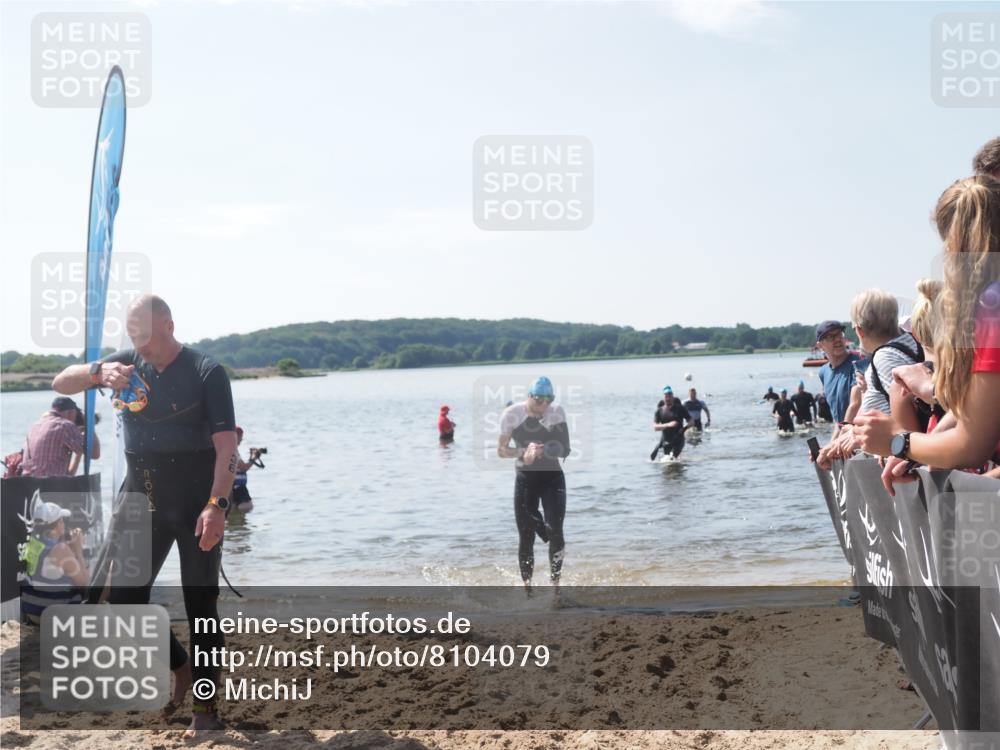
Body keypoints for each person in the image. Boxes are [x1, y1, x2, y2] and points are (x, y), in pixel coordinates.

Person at [52, 294, 236, 736]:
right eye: (132, 336)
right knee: (123, 603)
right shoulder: (127, 364)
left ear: (169, 325)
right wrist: (97, 372)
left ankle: (206, 712)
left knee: (201, 607)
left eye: (145, 336)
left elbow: (227, 449)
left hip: (196, 505)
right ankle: (181, 669)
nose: (139, 345)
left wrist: (217, 505)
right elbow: (61, 382)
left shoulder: (206, 371)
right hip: (141, 501)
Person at [855, 176, 1000, 491]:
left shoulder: (993, 303)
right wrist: (921, 446)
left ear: (954, 242)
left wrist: (899, 442)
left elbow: (972, 444)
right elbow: (973, 411)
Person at [497, 376, 570, 595]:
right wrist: (523, 453)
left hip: (552, 478)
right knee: (527, 534)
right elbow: (501, 451)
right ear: (529, 396)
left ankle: (555, 587)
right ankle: (527, 588)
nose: (544, 406)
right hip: (526, 480)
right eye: (539, 400)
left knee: (555, 531)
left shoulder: (556, 412)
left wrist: (544, 450)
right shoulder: (512, 415)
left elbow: (565, 449)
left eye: (549, 400)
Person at [18, 498, 90, 624]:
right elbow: (84, 584)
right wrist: (79, 550)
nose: (64, 524)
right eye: (61, 521)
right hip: (51, 615)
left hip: (32, 610)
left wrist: (70, 548)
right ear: (55, 527)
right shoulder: (61, 550)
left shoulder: (34, 541)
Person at [21, 397, 100, 478]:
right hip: (53, 485)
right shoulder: (65, 425)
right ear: (71, 412)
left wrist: (78, 453)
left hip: (29, 483)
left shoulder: (34, 426)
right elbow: (95, 455)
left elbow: (69, 475)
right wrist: (89, 425)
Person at [653, 386, 691, 459]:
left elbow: (691, 421)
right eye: (666, 396)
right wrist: (668, 425)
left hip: (679, 439)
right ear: (664, 397)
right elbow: (655, 427)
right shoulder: (659, 411)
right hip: (666, 440)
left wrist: (684, 428)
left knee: (672, 459)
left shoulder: (680, 408)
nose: (668, 398)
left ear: (673, 396)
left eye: (670, 395)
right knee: (667, 460)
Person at [231, 426, 261, 513]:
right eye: (241, 437)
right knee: (247, 507)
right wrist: (254, 458)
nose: (241, 440)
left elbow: (240, 466)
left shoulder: (227, 449)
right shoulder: (233, 450)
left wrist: (251, 458)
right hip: (238, 487)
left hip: (231, 487)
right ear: (236, 436)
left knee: (232, 510)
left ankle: (234, 526)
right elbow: (243, 467)